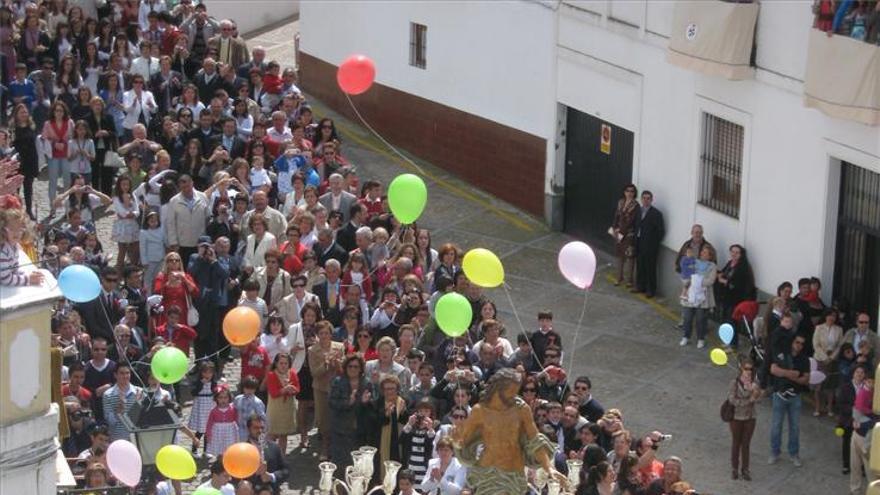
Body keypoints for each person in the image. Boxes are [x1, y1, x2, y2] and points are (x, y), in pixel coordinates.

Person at [768, 334, 810, 467]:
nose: (799, 345)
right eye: (797, 342)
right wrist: (792, 374)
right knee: (776, 426)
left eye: (802, 343)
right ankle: (775, 452)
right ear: (792, 342)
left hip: (795, 396)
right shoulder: (782, 354)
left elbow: (805, 379)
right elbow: (773, 369)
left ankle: (794, 453)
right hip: (779, 394)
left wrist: (785, 374)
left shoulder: (804, 360)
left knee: (795, 427)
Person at [328, 355, 370, 468]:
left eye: (356, 367)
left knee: (357, 461)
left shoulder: (366, 382)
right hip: (340, 429)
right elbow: (332, 402)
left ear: (361, 368)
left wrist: (365, 402)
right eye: (350, 366)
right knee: (340, 461)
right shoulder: (337, 382)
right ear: (345, 367)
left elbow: (372, 405)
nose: (353, 369)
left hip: (360, 430)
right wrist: (348, 403)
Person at [679, 245, 717, 349]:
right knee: (687, 317)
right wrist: (687, 280)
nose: (702, 254)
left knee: (701, 319)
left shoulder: (712, 266)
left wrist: (697, 281)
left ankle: (701, 338)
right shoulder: (694, 262)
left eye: (706, 253)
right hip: (690, 294)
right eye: (702, 252)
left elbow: (711, 280)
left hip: (703, 296)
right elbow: (685, 273)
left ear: (710, 256)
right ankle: (686, 336)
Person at [728, 357, 760, 480]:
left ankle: (745, 469)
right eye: (746, 369)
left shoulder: (754, 383)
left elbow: (759, 398)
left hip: (750, 417)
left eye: (751, 369)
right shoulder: (734, 383)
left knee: (746, 444)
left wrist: (755, 392)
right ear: (741, 368)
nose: (749, 371)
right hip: (736, 417)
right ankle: (734, 468)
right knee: (736, 443)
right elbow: (732, 400)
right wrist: (748, 400)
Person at [266, 352, 300, 454]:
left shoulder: (292, 373)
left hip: (288, 408)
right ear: (276, 364)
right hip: (276, 408)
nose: (283, 365)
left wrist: (292, 390)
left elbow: (298, 388)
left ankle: (282, 456)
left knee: (284, 434)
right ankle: (269, 456)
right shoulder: (271, 375)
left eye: (286, 363)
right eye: (281, 363)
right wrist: (285, 389)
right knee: (272, 433)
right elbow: (273, 393)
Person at [244, 415, 288, 494]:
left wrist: (272, 476)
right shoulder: (242, 451)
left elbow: (286, 470)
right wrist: (254, 474)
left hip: (272, 490)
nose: (260, 430)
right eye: (256, 428)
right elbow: (235, 477)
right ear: (248, 429)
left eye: (262, 428)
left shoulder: (274, 447)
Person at [633, 190, 664, 298]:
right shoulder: (638, 211)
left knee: (650, 268)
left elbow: (660, 231)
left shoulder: (656, 214)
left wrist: (653, 244)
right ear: (641, 199)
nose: (646, 200)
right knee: (640, 265)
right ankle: (640, 286)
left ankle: (651, 290)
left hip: (650, 246)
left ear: (651, 200)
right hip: (639, 243)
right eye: (644, 198)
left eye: (648, 198)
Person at [813, 308, 843, 416]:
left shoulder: (839, 329)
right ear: (825, 316)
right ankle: (817, 407)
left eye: (834, 316)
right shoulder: (819, 328)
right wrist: (824, 357)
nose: (831, 318)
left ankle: (829, 408)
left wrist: (831, 358)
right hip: (820, 358)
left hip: (833, 360)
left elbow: (840, 345)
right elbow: (816, 344)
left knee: (830, 386)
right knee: (818, 385)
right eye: (829, 315)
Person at [102, 363, 143, 442]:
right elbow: (110, 423)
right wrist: (119, 411)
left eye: (127, 373)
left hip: (136, 439)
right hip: (117, 439)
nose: (125, 376)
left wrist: (137, 404)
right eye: (122, 373)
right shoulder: (108, 395)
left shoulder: (139, 392)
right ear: (115, 375)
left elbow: (140, 421)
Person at [611, 184, 638, 287]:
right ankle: (619, 277)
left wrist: (621, 231)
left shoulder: (635, 205)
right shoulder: (620, 202)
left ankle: (629, 280)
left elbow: (631, 221)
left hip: (629, 234)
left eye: (632, 191)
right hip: (619, 233)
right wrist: (614, 228)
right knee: (620, 255)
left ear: (634, 193)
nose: (629, 193)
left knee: (630, 257)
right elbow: (616, 216)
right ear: (624, 192)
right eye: (627, 191)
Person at [205, 385, 239, 457]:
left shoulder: (232, 409)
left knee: (230, 445)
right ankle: (220, 459)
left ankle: (229, 457)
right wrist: (208, 434)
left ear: (229, 398)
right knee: (219, 445)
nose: (223, 400)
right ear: (216, 399)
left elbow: (237, 419)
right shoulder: (214, 410)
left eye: (225, 398)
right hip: (218, 431)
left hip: (230, 431)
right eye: (220, 398)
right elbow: (209, 423)